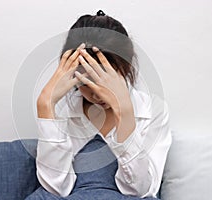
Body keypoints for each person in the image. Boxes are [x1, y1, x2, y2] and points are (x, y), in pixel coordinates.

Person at [27, 10, 172, 200]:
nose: (96, 93)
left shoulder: (153, 109)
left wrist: (125, 113)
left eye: (102, 80)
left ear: (126, 68)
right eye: (85, 83)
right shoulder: (65, 111)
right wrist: (45, 105)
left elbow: (141, 191)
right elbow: (54, 188)